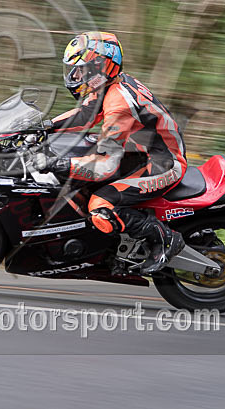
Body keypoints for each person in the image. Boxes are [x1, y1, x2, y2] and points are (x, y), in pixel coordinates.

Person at [39, 31, 187, 274]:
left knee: (101, 203)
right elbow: (86, 114)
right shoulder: (111, 83)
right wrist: (46, 126)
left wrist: (59, 163)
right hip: (139, 153)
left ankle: (165, 239)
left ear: (100, 66)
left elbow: (105, 164)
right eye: (74, 70)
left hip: (163, 162)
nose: (75, 76)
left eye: (81, 69)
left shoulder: (119, 102)